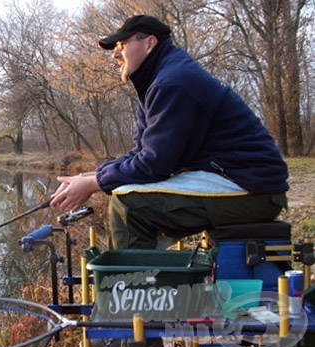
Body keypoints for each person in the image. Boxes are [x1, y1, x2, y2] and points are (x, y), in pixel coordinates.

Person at [50, 14, 288, 251]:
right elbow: (142, 152)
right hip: (235, 180)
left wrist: (94, 183)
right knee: (125, 192)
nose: (115, 54)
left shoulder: (172, 82)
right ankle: (157, 278)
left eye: (122, 45)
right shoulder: (157, 81)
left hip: (252, 187)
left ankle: (134, 286)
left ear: (149, 43)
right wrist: (91, 176)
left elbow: (154, 165)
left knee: (128, 204)